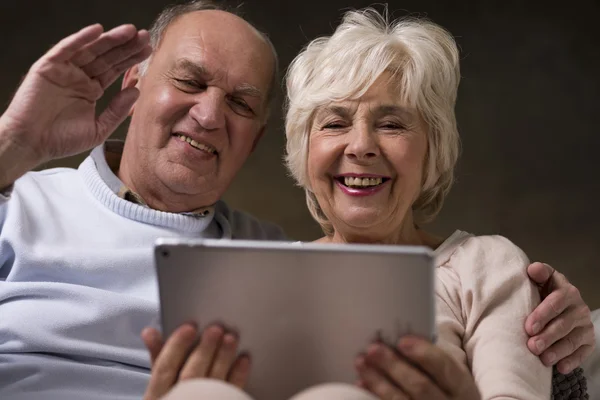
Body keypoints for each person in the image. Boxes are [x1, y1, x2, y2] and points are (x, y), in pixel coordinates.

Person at [0, 1, 594, 399]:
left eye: (392, 124)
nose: (208, 115)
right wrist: (13, 144)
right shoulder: (15, 194)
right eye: (335, 124)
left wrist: (561, 344)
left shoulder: (261, 251)